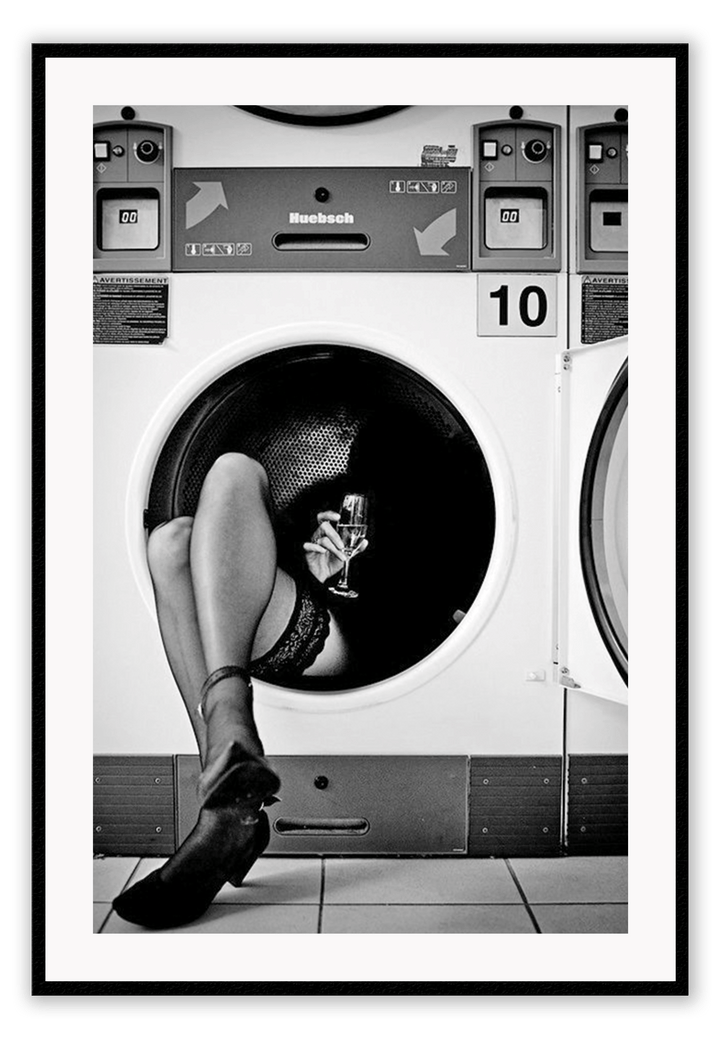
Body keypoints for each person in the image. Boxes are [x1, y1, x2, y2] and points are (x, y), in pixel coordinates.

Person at [112, 452, 367, 929]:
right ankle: (229, 805)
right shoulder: (329, 488)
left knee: (234, 468)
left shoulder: (441, 481)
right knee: (170, 542)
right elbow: (267, 545)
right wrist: (311, 563)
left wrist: (339, 582)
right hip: (272, 612)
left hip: (349, 635)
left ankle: (229, 729)